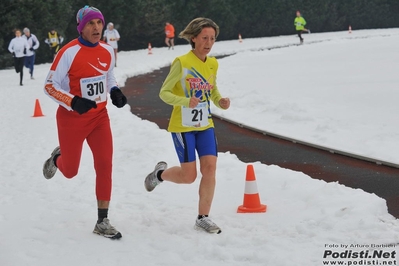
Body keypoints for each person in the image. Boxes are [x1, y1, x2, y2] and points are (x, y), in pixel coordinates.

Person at [42, 5, 127, 240]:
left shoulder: (107, 50)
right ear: (81, 27)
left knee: (105, 164)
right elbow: (49, 86)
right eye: (90, 23)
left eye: (99, 22)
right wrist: (73, 101)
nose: (96, 27)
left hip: (100, 118)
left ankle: (102, 220)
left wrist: (115, 90)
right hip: (72, 120)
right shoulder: (68, 52)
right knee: (70, 171)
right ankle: (57, 159)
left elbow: (108, 75)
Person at [144, 17, 230, 234]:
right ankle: (159, 175)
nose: (209, 43)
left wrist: (220, 100)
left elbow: (212, 89)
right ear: (194, 38)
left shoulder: (212, 63)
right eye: (204, 38)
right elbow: (164, 92)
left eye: (212, 38)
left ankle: (203, 217)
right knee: (189, 176)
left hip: (205, 124)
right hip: (183, 126)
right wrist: (184, 101)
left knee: (210, 169)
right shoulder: (181, 62)